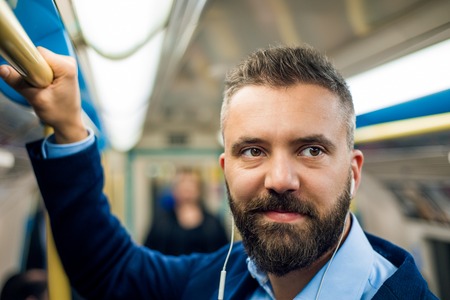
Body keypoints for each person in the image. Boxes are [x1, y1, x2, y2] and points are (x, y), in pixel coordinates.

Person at [0, 45, 437, 299]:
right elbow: (109, 268)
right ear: (226, 170)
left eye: (311, 149)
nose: (279, 178)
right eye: (253, 150)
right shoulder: (218, 279)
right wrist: (71, 127)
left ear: (354, 172)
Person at [144, 168, 229, 255]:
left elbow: (225, 255)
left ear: (199, 190)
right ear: (174, 191)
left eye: (191, 184)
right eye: (182, 184)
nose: (187, 189)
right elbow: (148, 255)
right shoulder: (161, 223)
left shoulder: (213, 223)